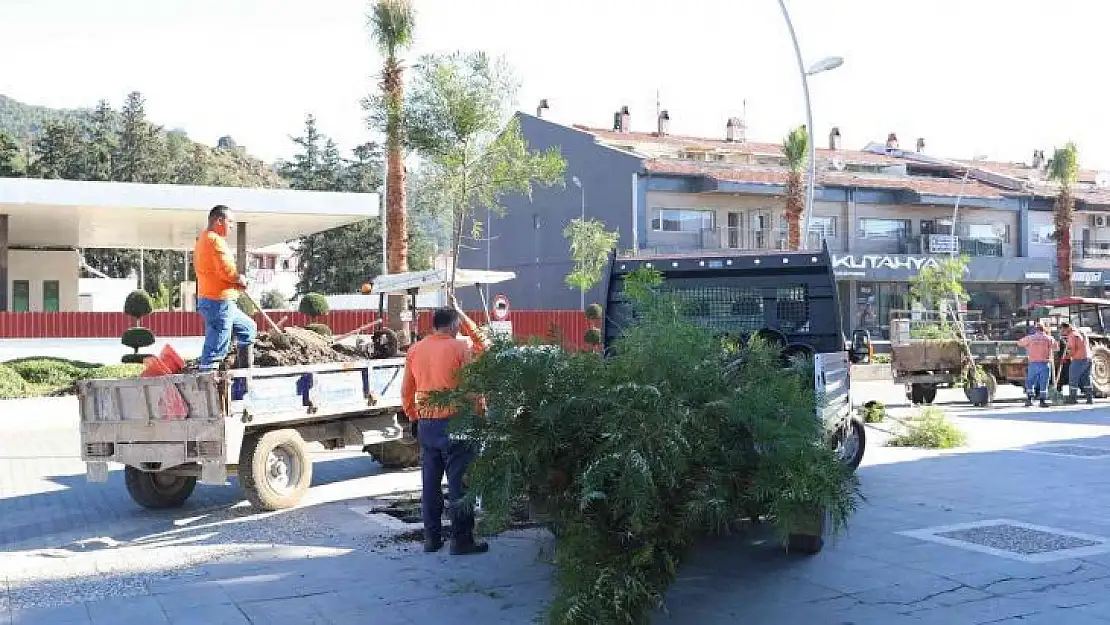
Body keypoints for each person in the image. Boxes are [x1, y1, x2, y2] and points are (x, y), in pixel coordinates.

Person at [401, 295, 490, 555]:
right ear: (453, 326)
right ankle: (461, 541)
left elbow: (407, 390)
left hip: (427, 423)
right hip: (457, 423)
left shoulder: (415, 350)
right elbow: (484, 351)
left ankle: (432, 538)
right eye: (458, 325)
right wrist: (480, 414)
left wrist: (413, 416)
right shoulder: (461, 348)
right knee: (458, 484)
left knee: (430, 483)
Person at [193, 205, 256, 371]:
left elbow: (216, 271)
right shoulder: (214, 241)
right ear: (219, 220)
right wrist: (238, 279)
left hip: (218, 300)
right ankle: (207, 388)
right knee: (216, 349)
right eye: (230, 221)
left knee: (248, 329)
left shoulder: (203, 240)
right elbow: (225, 269)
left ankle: (243, 380)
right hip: (218, 301)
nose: (232, 226)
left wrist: (234, 283)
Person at [1018, 323, 1056, 408]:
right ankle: (1042, 401)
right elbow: (1056, 347)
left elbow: (1020, 343)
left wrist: (1028, 346)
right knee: (1044, 383)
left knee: (1030, 381)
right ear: (1044, 329)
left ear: (1035, 329)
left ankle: (1029, 399)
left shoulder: (1030, 338)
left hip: (1033, 363)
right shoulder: (1049, 338)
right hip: (1045, 364)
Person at [1061, 322, 1094, 405]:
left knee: (1073, 379)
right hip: (1088, 358)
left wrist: (1066, 358)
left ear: (1067, 328)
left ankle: (1073, 398)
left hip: (1079, 359)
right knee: (1086, 378)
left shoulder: (1072, 335)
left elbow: (1073, 350)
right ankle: (1089, 398)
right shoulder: (1081, 333)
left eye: (1062, 329)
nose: (1062, 331)